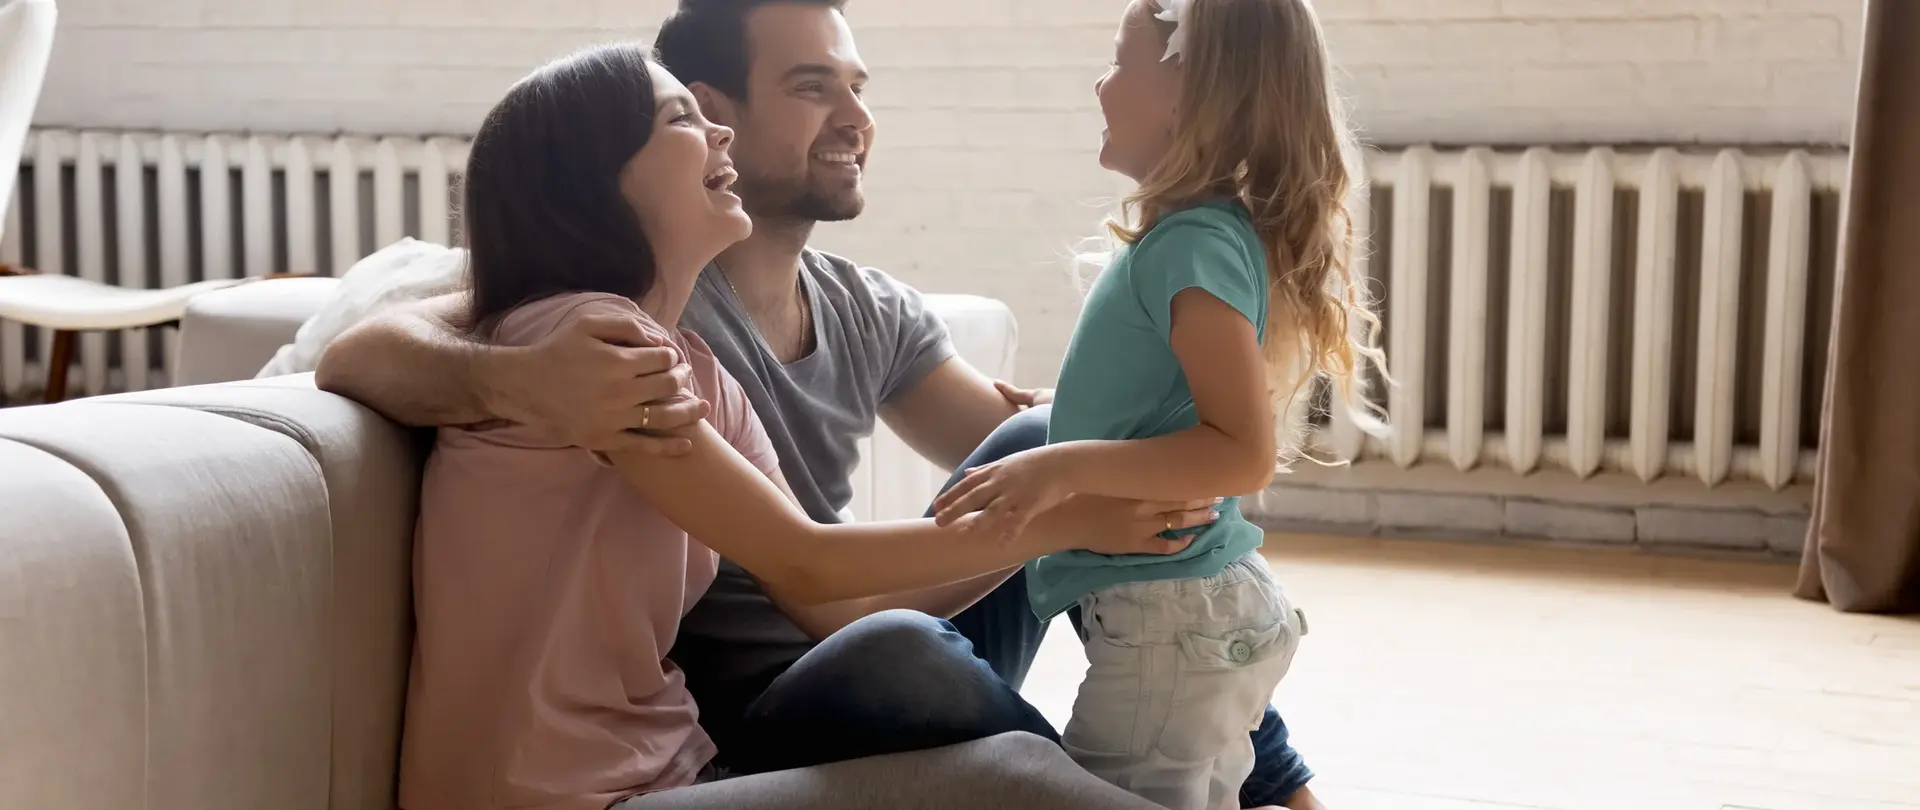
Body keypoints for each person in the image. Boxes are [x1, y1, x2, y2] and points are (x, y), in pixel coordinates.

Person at [316, 1, 1327, 807]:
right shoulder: (591, 338)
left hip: (705, 742)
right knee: (947, 700)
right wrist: (515, 381)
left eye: (857, 84)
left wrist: (1069, 490)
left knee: (1028, 460)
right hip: (703, 733)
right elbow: (364, 342)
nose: (852, 115)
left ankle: (1232, 758)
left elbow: (830, 579)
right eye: (807, 87)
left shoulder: (729, 358)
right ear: (601, 181)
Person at [927, 0, 1388, 808]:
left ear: (1188, 95)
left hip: (1172, 621)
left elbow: (1239, 450)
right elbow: (1173, 405)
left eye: (1118, 62)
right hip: (1199, 613)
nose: (1100, 85)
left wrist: (1058, 464)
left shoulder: (1191, 246)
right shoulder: (1206, 236)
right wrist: (1069, 411)